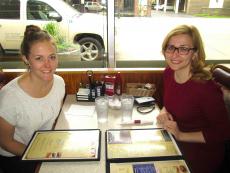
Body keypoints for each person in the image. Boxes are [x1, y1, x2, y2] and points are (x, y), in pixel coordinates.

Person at [157, 24, 230, 173]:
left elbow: (224, 131)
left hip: (200, 154)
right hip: (174, 141)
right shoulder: (169, 73)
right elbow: (169, 102)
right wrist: (164, 112)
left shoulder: (205, 88)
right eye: (171, 47)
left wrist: (181, 134)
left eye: (184, 49)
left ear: (195, 54)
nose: (174, 55)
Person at [0, 25, 65, 173]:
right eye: (39, 58)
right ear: (26, 59)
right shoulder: (9, 97)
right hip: (15, 156)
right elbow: (5, 142)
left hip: (44, 146)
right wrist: (39, 154)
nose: (48, 65)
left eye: (52, 57)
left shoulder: (59, 83)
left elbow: (55, 119)